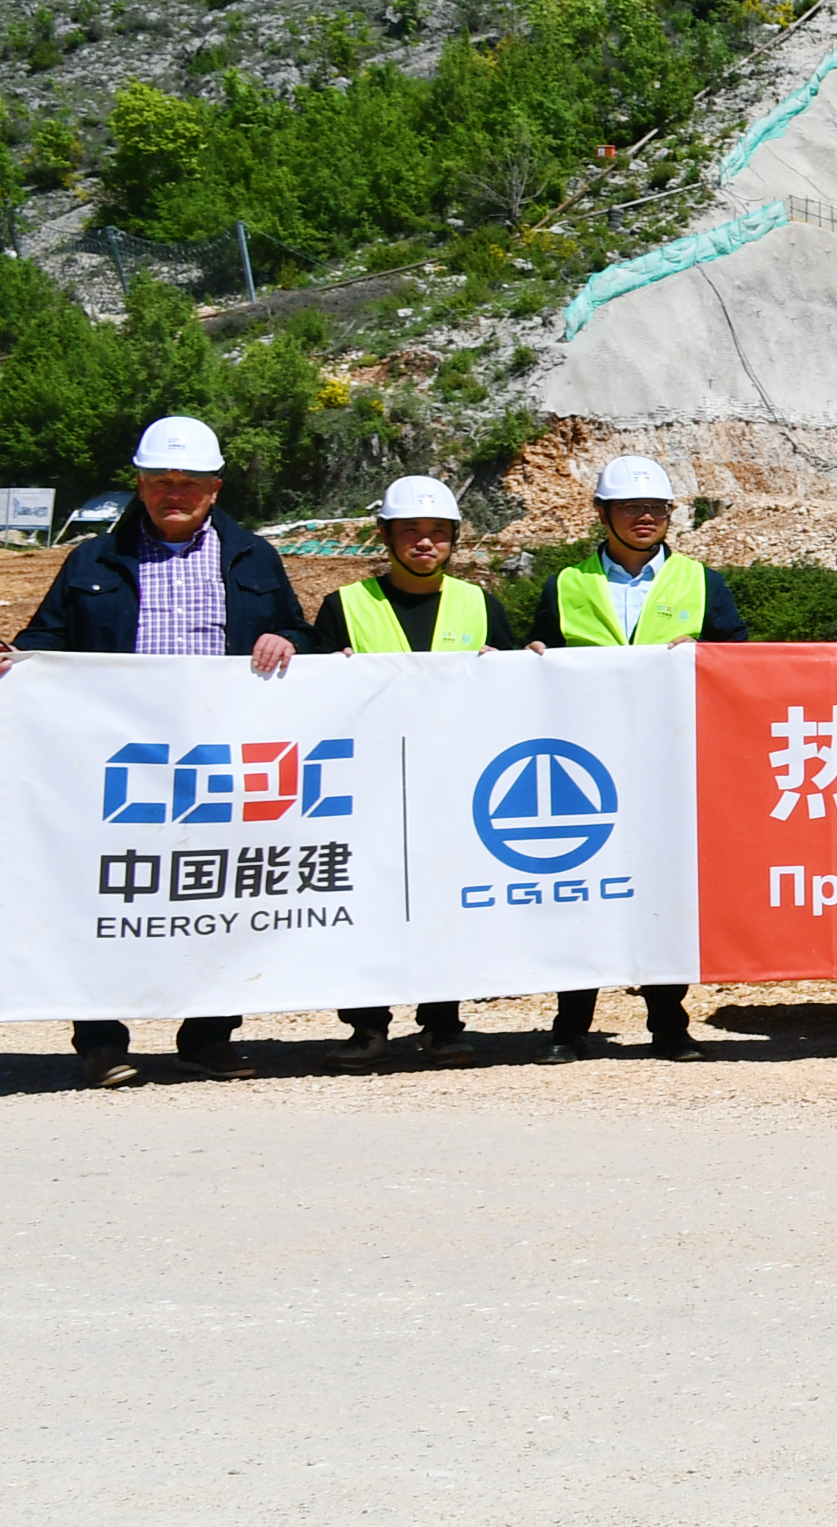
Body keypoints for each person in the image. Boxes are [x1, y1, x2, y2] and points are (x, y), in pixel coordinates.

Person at [3, 415, 309, 1085]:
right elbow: (47, 637)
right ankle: (102, 1039)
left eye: (190, 482)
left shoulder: (255, 557)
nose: (176, 492)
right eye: (161, 480)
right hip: (121, 769)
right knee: (106, 895)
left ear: (215, 488)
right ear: (139, 485)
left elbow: (297, 635)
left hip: (219, 766)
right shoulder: (92, 560)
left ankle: (208, 1034)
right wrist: (18, 660)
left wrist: (288, 643)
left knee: (218, 897)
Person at [526, 454, 744, 1063]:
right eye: (630, 507)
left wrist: (704, 653)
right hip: (585, 761)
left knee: (662, 892)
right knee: (583, 889)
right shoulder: (567, 584)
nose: (645, 517)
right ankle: (571, 1024)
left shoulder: (702, 582)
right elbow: (540, 656)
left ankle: (668, 1023)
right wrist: (533, 654)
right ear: (603, 514)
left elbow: (740, 658)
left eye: (656, 508)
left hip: (669, 759)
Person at [305, 473, 495, 1065]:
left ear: (453, 539)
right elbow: (312, 700)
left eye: (437, 532)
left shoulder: (479, 603)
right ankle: (367, 1024)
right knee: (367, 905)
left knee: (445, 906)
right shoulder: (346, 606)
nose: (423, 543)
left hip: (452, 781)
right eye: (410, 531)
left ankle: (443, 1023)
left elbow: (514, 690)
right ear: (385, 535)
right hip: (370, 786)